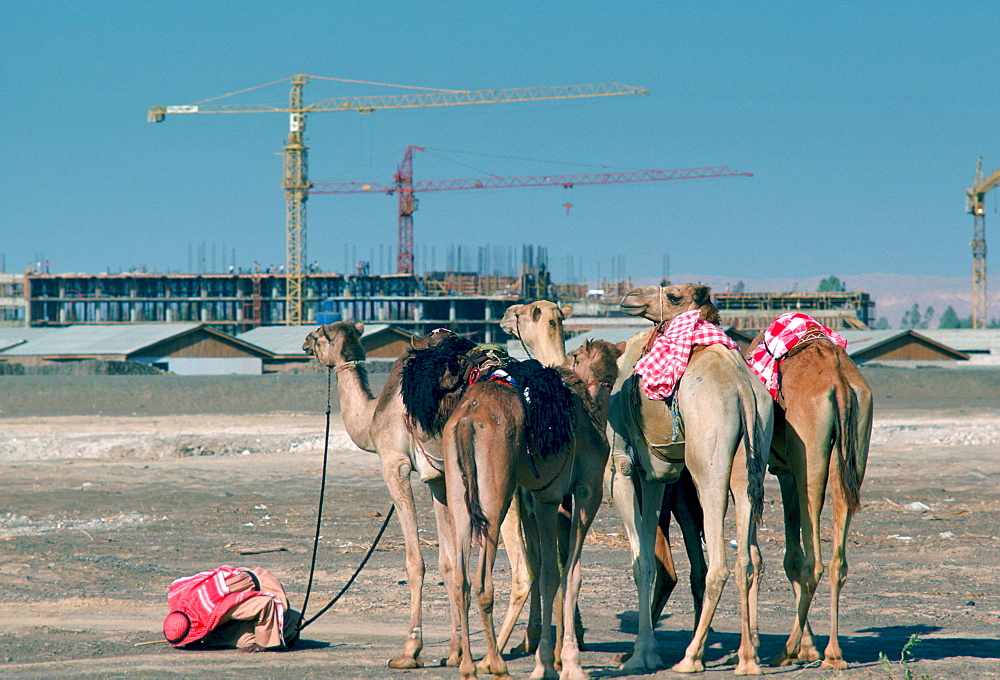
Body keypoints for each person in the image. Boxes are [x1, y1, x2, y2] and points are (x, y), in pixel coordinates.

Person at [162, 566, 300, 653]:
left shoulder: (220, 609)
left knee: (246, 639)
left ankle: (292, 626)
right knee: (216, 638)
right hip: (235, 584)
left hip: (263, 584)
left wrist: (262, 643)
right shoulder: (180, 601)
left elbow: (265, 603)